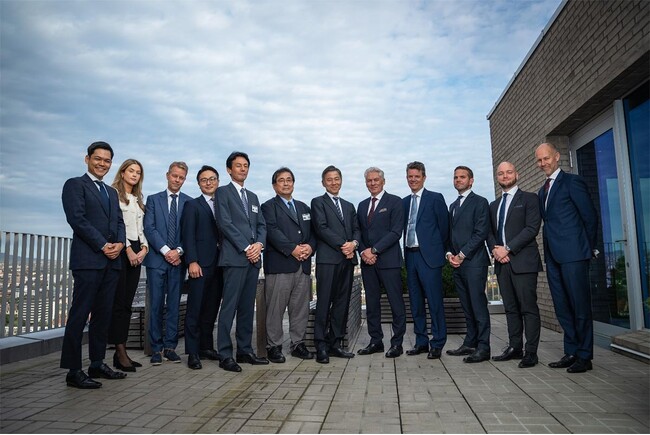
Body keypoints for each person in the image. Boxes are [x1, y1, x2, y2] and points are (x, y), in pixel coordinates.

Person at [60, 141, 127, 388]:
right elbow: (77, 219)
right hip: (88, 261)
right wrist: (102, 245)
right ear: (87, 159)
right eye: (97, 159)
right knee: (79, 315)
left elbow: (119, 222)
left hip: (111, 262)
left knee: (103, 316)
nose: (102, 164)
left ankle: (97, 363)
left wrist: (120, 244)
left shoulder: (111, 192)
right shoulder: (75, 185)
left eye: (107, 160)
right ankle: (73, 370)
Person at [535, 142, 598, 373]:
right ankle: (571, 351)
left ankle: (585, 356)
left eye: (546, 158)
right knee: (562, 306)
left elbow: (590, 217)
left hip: (574, 255)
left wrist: (588, 249)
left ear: (557, 156)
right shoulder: (543, 190)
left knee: (580, 306)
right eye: (539, 160)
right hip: (553, 256)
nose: (543, 163)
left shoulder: (572, 182)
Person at [215, 151, 268, 372]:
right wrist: (247, 247)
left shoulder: (253, 197)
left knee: (247, 308)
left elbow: (261, 225)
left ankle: (245, 350)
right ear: (229, 169)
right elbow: (225, 223)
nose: (243, 169)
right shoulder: (222, 192)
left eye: (246, 165)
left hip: (253, 260)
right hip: (235, 258)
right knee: (229, 307)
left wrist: (259, 245)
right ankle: (225, 354)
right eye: (238, 165)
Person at [487, 162, 542, 368]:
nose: (505, 176)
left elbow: (531, 228)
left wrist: (508, 249)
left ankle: (531, 352)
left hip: (523, 262)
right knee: (510, 308)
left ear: (516, 174)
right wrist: (496, 250)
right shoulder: (494, 205)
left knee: (528, 308)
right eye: (501, 173)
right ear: (497, 177)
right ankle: (515, 347)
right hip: (502, 263)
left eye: (509, 172)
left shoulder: (529, 199)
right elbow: (489, 232)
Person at [261, 167, 317, 363]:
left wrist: (310, 247)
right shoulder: (268, 207)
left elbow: (314, 234)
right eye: (281, 180)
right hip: (280, 266)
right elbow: (272, 231)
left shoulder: (304, 208)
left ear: (293, 183)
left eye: (289, 179)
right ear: (274, 185)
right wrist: (293, 249)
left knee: (300, 309)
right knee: (275, 309)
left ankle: (298, 344)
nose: (286, 183)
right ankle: (274, 346)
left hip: (303, 266)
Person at [311, 165, 360, 364]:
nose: (334, 182)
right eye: (329, 179)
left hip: (347, 261)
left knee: (342, 303)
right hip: (328, 261)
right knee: (324, 303)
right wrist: (344, 245)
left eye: (337, 178)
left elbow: (357, 229)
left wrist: (354, 244)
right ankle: (321, 345)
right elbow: (321, 228)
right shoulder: (318, 202)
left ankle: (336, 343)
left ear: (341, 180)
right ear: (323, 182)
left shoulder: (349, 206)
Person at [143, 162, 191, 365]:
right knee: (155, 305)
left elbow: (189, 232)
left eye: (181, 177)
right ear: (167, 175)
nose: (177, 180)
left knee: (173, 305)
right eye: (174, 176)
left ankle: (170, 347)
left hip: (178, 261)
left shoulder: (189, 202)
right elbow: (149, 228)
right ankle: (156, 348)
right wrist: (165, 250)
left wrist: (178, 251)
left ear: (184, 179)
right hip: (157, 260)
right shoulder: (153, 200)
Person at [356, 167, 406, 358]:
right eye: (369, 180)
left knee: (396, 303)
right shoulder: (362, 205)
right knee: (372, 304)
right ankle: (375, 340)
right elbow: (358, 232)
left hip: (389, 261)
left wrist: (374, 250)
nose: (373, 183)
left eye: (376, 180)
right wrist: (363, 251)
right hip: (368, 262)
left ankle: (397, 343)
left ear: (383, 181)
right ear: (365, 183)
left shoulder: (395, 201)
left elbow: (396, 232)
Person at [402, 161, 450, 359]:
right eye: (410, 176)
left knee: (434, 302)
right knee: (416, 303)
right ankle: (421, 342)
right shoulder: (404, 202)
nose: (413, 179)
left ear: (424, 177)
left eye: (416, 176)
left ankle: (437, 342)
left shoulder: (435, 198)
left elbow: (444, 228)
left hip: (429, 258)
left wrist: (440, 252)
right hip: (411, 256)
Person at [446, 165, 492, 363]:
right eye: (455, 177)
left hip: (474, 262)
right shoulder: (452, 206)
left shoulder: (480, 202)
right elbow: (450, 234)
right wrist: (450, 254)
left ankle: (484, 347)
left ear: (471, 180)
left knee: (478, 306)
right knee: (466, 305)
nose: (458, 180)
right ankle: (470, 342)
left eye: (462, 177)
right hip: (457, 264)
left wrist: (462, 254)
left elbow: (480, 233)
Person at [180, 165, 224, 370]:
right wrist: (192, 261)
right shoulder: (192, 205)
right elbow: (187, 235)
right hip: (200, 264)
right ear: (198, 184)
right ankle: (193, 352)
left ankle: (206, 347)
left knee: (211, 308)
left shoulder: (223, 204)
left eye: (212, 179)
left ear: (218, 181)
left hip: (220, 264)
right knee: (195, 309)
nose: (208, 182)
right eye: (204, 180)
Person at [108, 159, 148, 372]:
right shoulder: (113, 195)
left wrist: (144, 248)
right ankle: (120, 350)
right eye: (131, 171)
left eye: (138, 172)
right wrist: (128, 249)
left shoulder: (138, 199)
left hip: (137, 248)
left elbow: (141, 229)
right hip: (122, 250)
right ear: (122, 172)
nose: (134, 175)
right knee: (118, 302)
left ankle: (120, 352)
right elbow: (116, 225)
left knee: (127, 304)